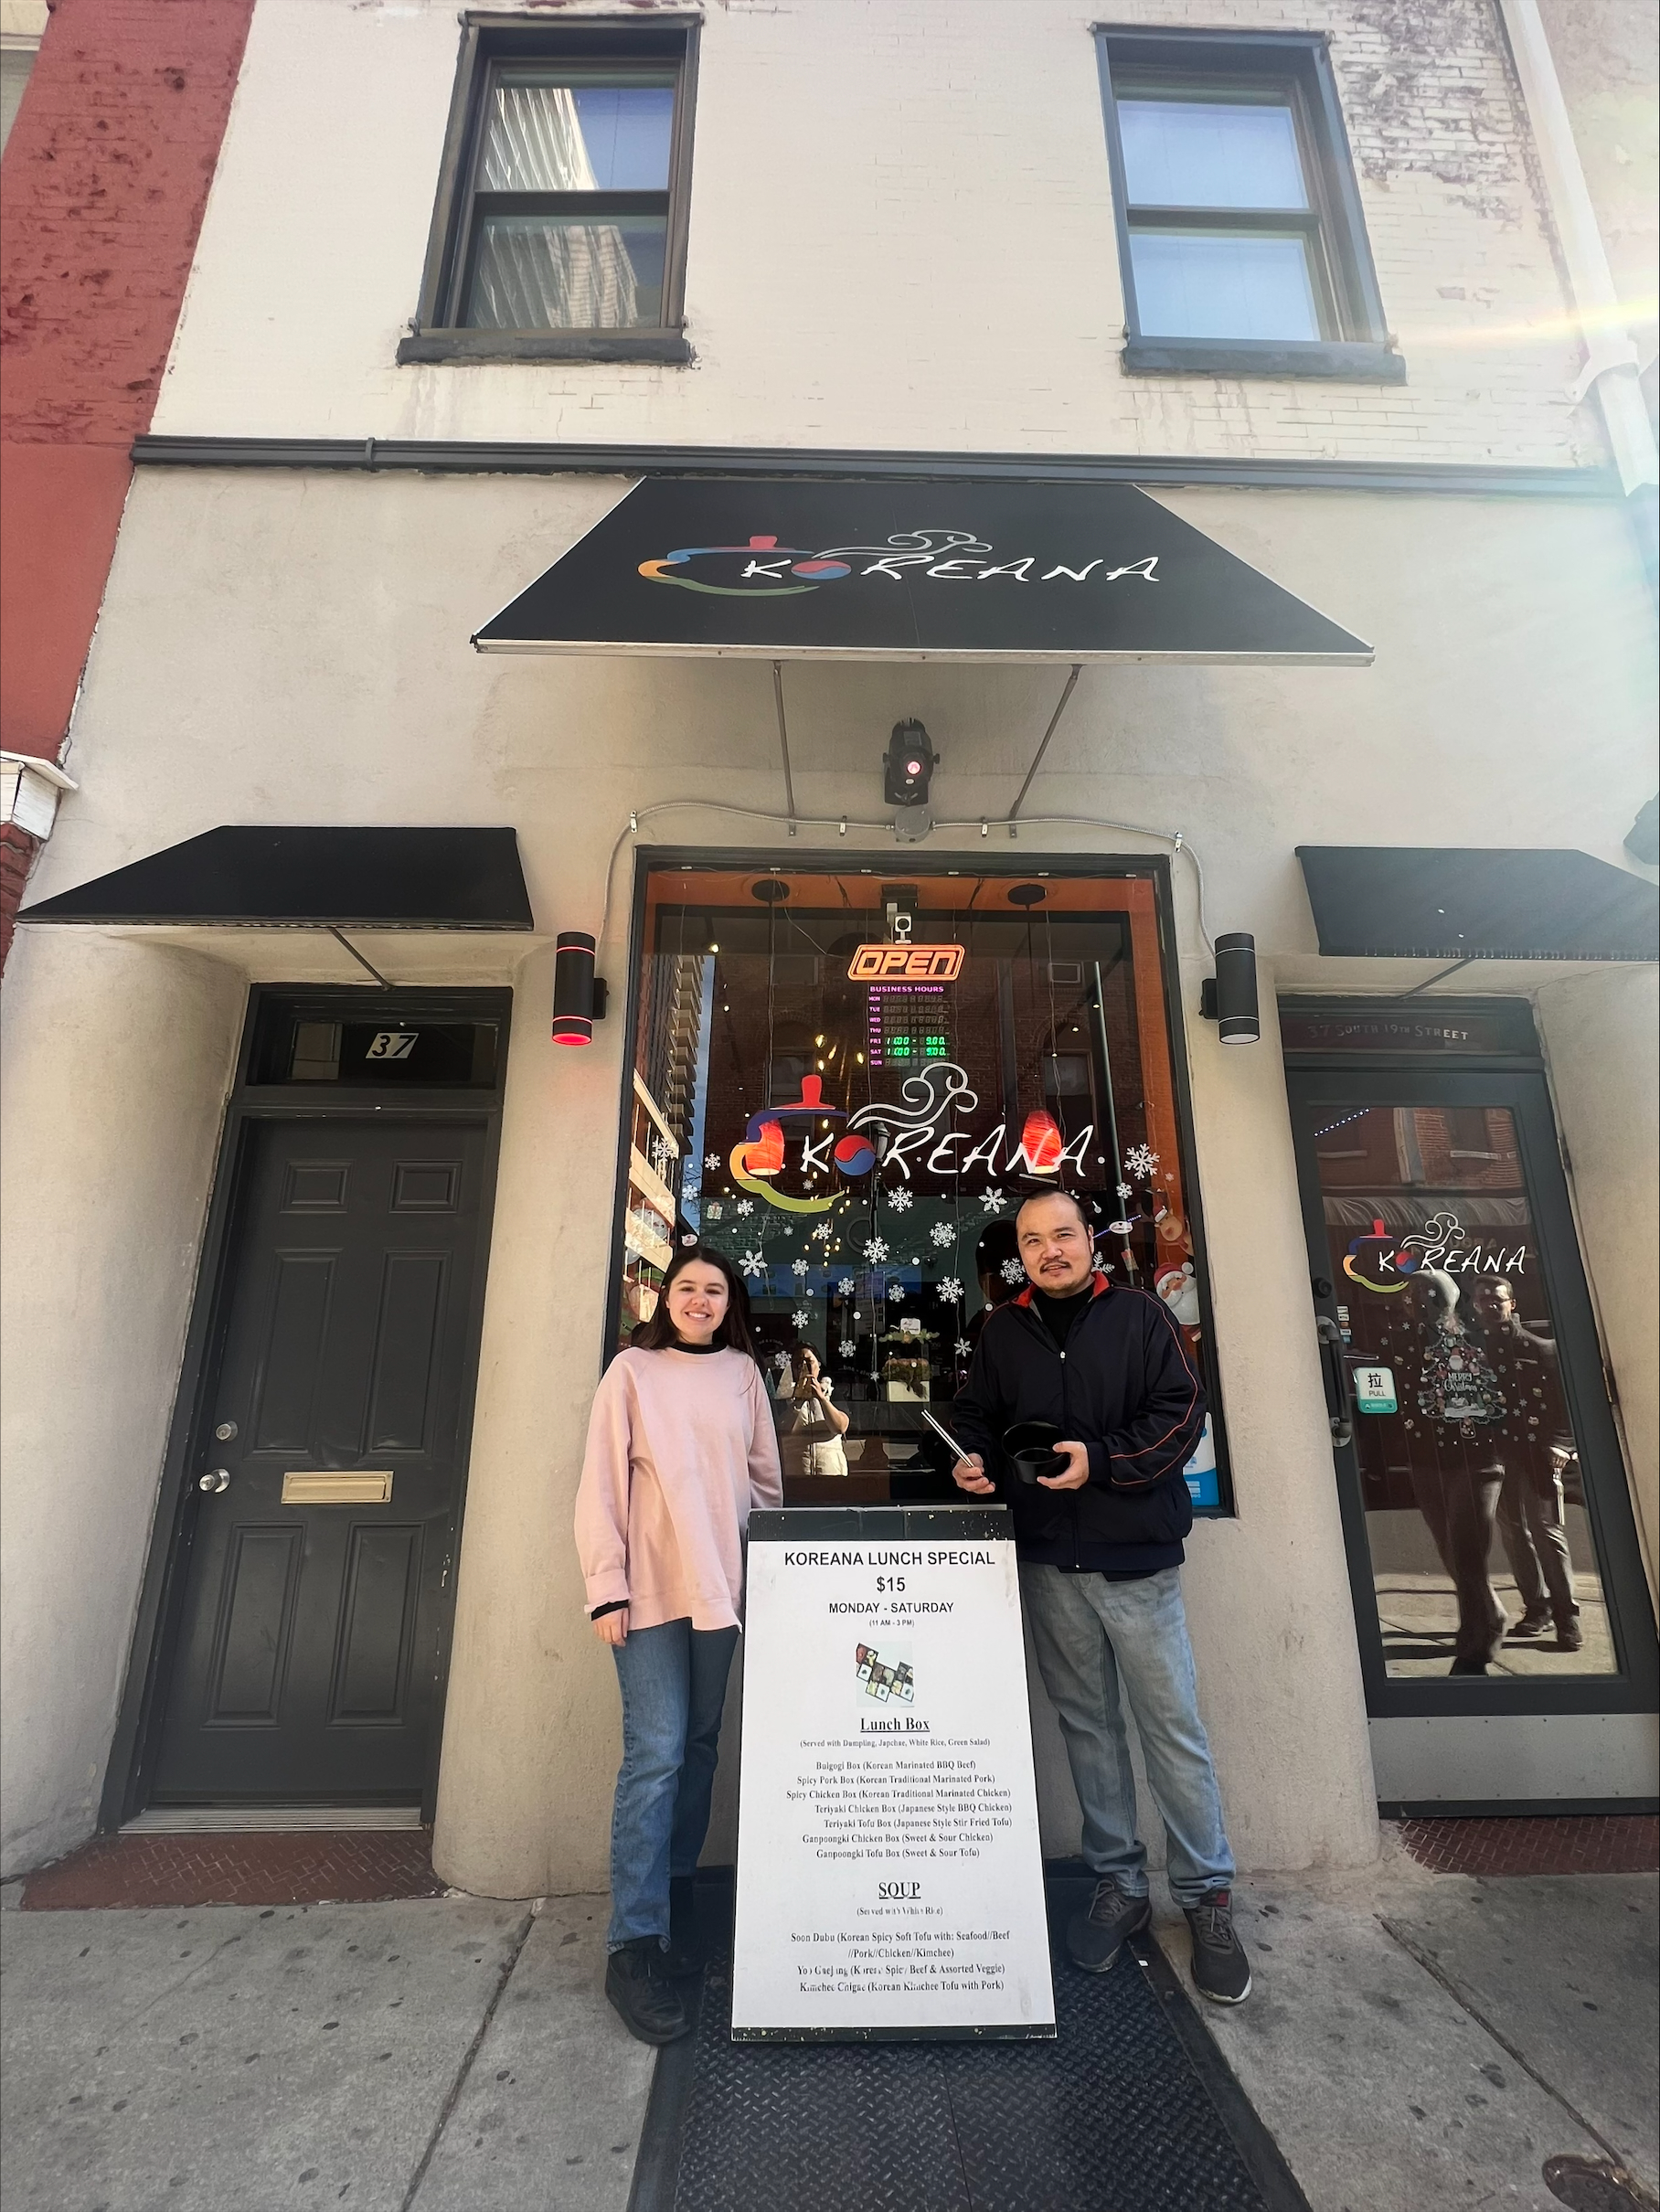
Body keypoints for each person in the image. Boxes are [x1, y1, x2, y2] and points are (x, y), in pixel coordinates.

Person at [949, 1188, 1250, 2005]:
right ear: (1020, 1253)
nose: (1050, 1251)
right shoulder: (1001, 1330)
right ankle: (1120, 1883)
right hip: (1049, 1562)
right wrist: (972, 1461)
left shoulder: (1144, 1317)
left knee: (1171, 1729)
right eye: (1033, 1240)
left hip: (1135, 1564)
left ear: (1090, 1240)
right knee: (1088, 1728)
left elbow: (1182, 1414)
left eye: (1063, 1235)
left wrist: (1104, 1460)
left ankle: (1207, 1897)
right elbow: (976, 1416)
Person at [575, 1246, 782, 2046]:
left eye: (714, 1290)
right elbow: (600, 1483)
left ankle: (677, 1901)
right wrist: (606, 1586)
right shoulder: (631, 1371)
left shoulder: (743, 1375)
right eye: (687, 1287)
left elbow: (764, 1485)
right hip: (648, 1594)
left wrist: (770, 1581)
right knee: (656, 1753)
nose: (700, 1300)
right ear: (666, 1299)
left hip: (722, 1593)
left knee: (698, 1746)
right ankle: (632, 1944)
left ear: (730, 1304)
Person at [1484, 1280, 1581, 1653]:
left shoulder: (1542, 1349)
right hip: (1497, 1455)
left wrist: (1563, 1443)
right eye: (1482, 1301)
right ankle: (1537, 1609)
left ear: (1511, 1303)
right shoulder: (1475, 1350)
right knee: (1513, 1534)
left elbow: (1567, 1402)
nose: (1489, 1307)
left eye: (1496, 1301)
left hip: (1537, 1454)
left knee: (1547, 1532)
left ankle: (1567, 1616)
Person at [787, 1344, 851, 1477]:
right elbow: (785, 1433)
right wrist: (798, 1401)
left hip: (830, 1472)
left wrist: (821, 1398)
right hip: (796, 1474)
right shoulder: (784, 1397)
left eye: (808, 1361)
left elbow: (840, 1427)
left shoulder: (832, 1393)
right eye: (798, 1363)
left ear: (819, 1364)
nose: (803, 1367)